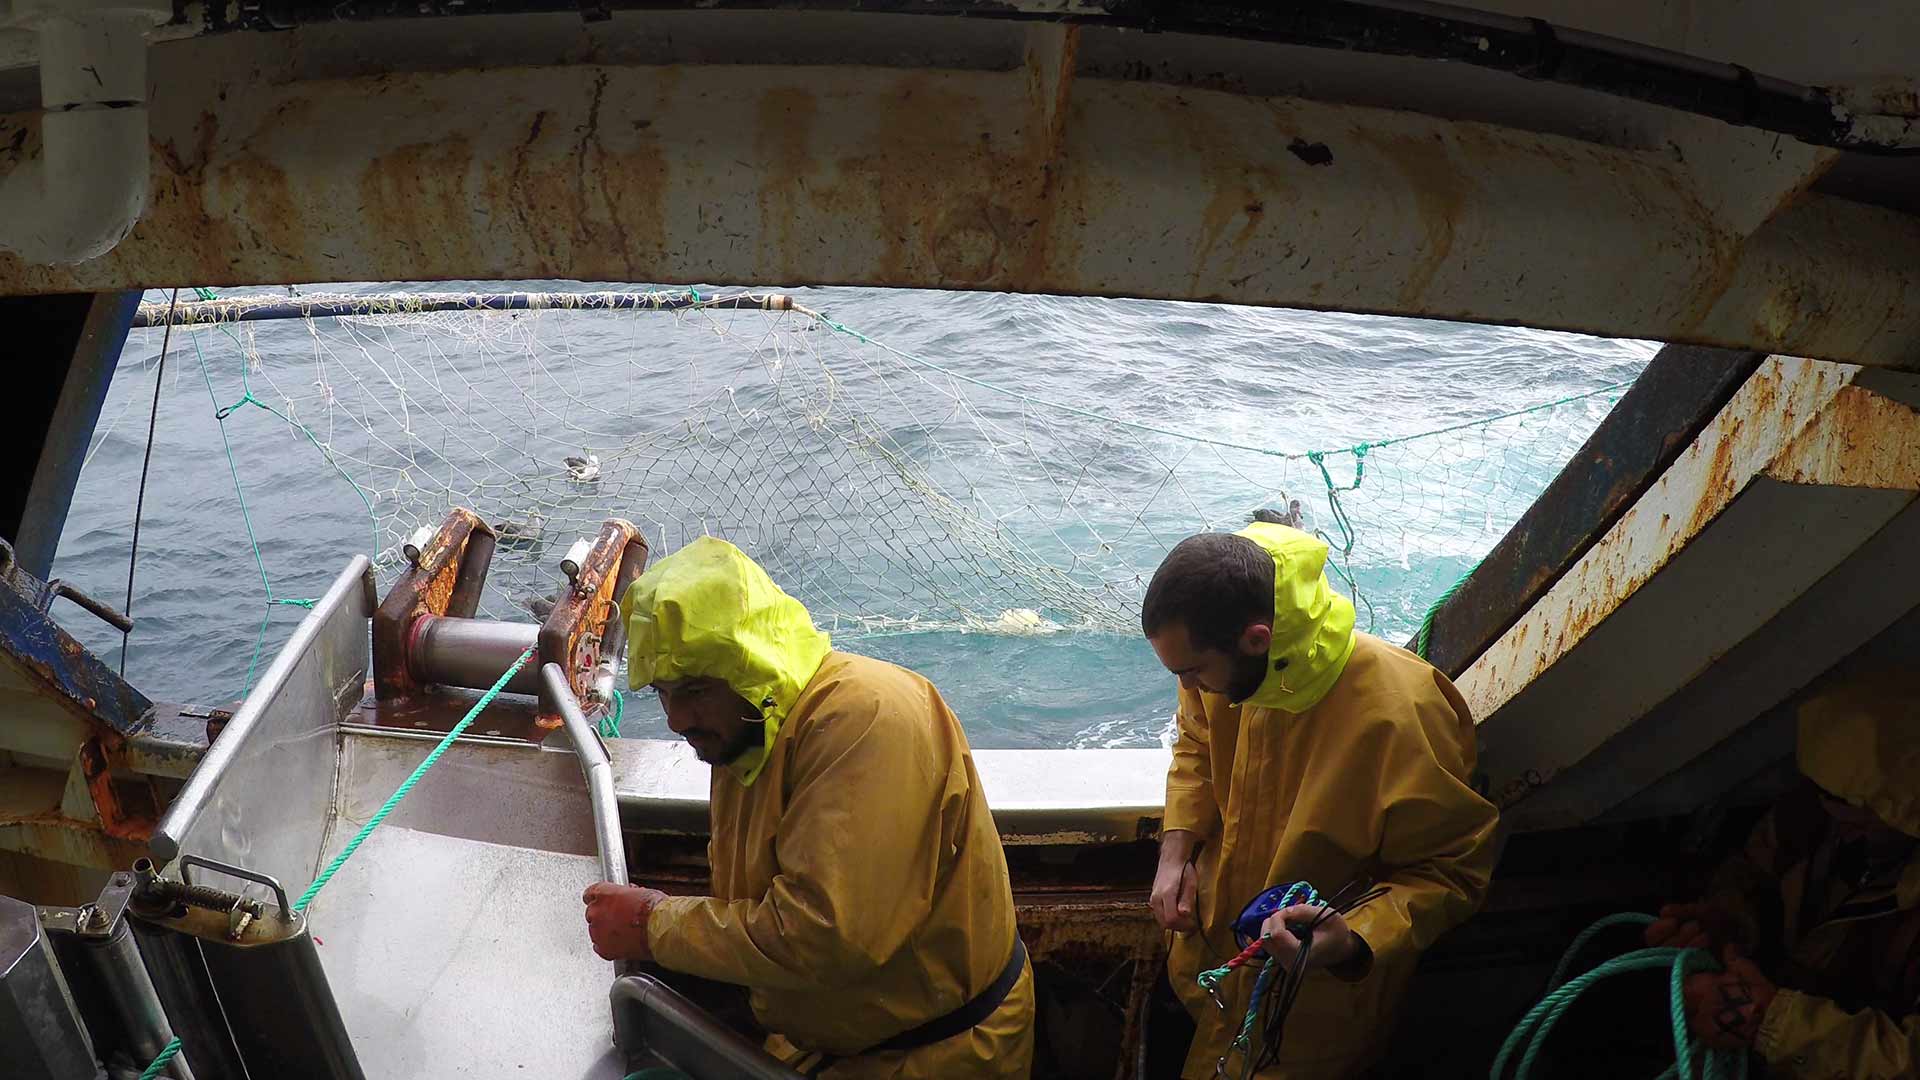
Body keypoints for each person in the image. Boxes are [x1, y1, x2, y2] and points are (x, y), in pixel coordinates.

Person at [580, 537, 1033, 1078]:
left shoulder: (866, 722)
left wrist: (654, 925)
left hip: (934, 1055)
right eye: (662, 692)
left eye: (696, 690)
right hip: (831, 1040)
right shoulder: (749, 731)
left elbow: (826, 937)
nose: (676, 719)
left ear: (754, 668)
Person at [1143, 521, 1500, 1078]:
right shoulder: (1221, 659)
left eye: (1192, 672)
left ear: (1256, 639)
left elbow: (1450, 873)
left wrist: (1353, 940)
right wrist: (1175, 854)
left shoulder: (1402, 711)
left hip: (1313, 1016)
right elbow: (1194, 745)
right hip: (1207, 980)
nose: (1187, 687)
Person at [1642, 667, 1920, 1078]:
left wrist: (1772, 1023)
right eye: (1832, 796)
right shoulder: (1809, 817)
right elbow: (1753, 876)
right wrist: (1727, 927)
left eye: (1869, 805)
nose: (1841, 814)